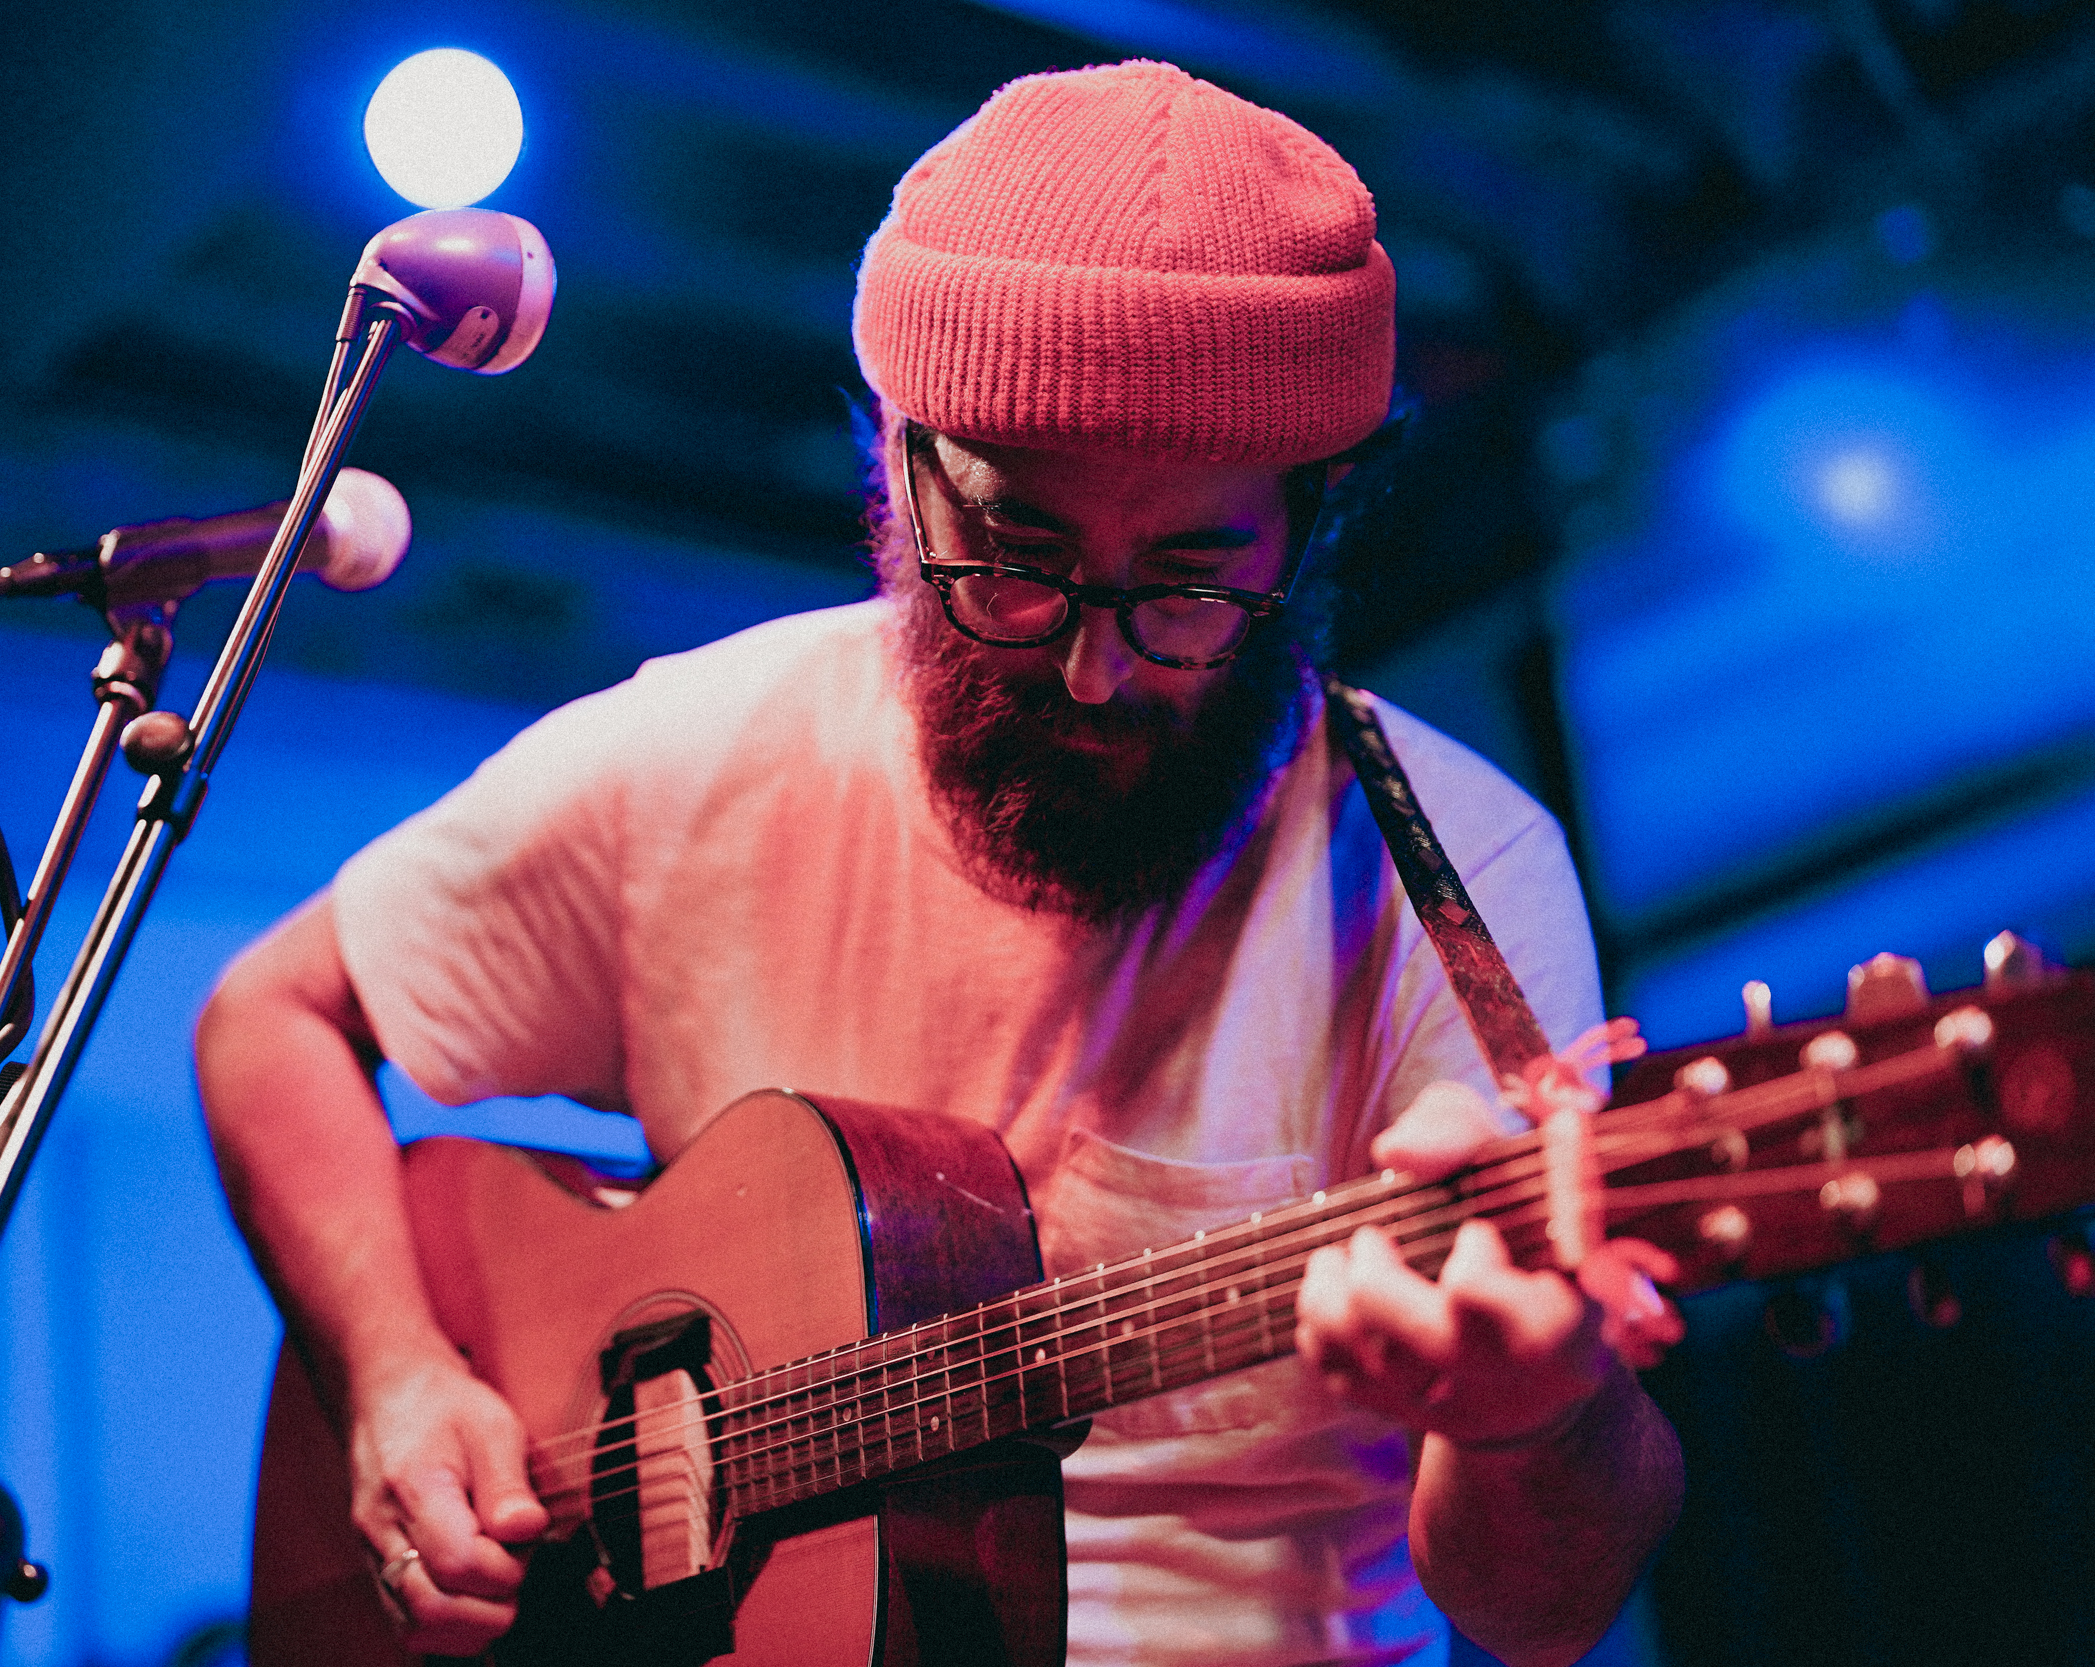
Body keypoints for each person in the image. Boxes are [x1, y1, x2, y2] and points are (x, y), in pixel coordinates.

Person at [197, 59, 1682, 1667]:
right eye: (1018, 558)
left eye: (1189, 585)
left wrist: (1538, 1418)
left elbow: (1542, 1613)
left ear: (1311, 527)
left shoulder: (1450, 881)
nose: (1095, 670)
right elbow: (271, 1016)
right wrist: (399, 1379)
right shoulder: (696, 758)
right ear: (896, 466)